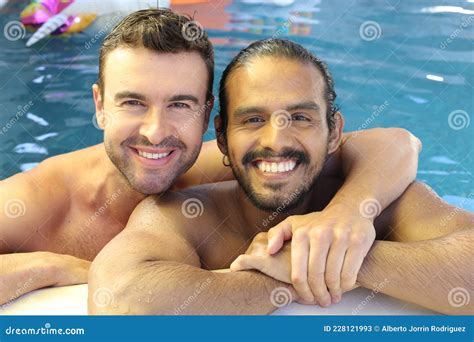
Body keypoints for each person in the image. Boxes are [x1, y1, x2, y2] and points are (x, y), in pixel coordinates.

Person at [0, 10, 419, 306]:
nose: (155, 132)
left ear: (208, 116)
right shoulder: (37, 203)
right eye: (132, 102)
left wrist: (348, 213)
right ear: (100, 105)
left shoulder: (219, 162)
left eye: (180, 105)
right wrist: (42, 267)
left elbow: (398, 142)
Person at [88, 38, 473, 316]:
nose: (276, 141)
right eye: (254, 119)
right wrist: (289, 276)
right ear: (221, 138)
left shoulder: (385, 205)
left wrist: (338, 256)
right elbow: (120, 301)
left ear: (334, 132)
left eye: (301, 118)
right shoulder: (184, 215)